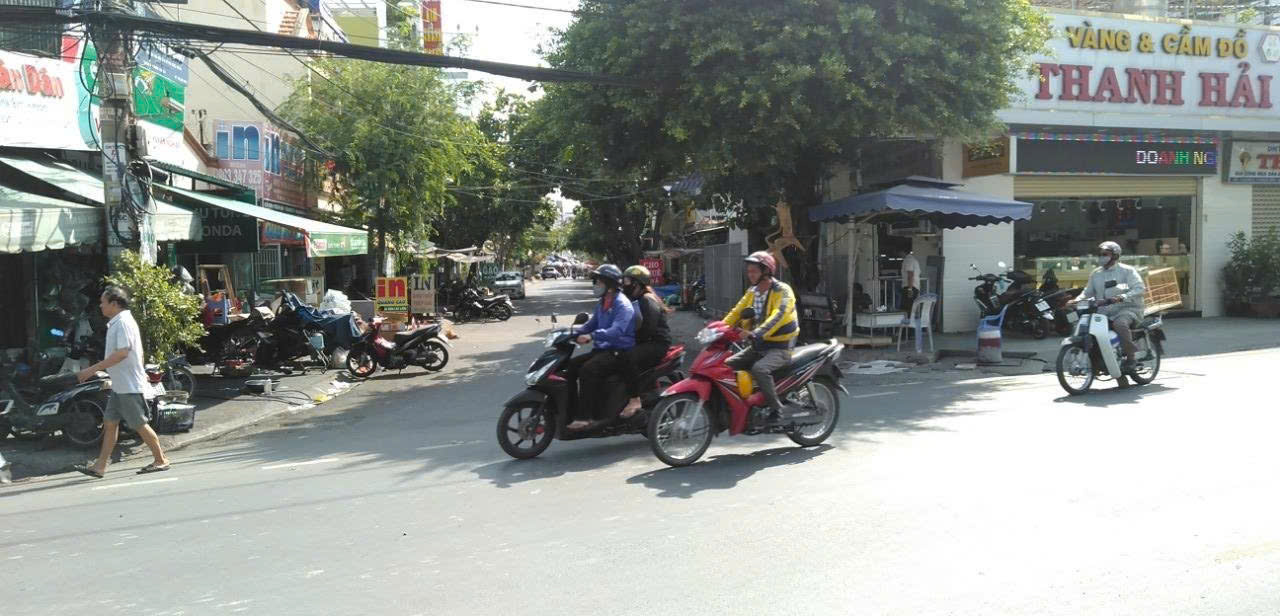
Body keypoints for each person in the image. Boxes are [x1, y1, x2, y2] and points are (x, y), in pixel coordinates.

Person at [74, 286, 170, 478]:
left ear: (114, 303)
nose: (100, 306)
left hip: (128, 385)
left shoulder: (123, 323)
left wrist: (92, 369)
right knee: (110, 423)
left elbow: (122, 353)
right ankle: (100, 466)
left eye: (103, 302)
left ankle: (160, 460)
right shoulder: (118, 322)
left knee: (139, 424)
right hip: (120, 385)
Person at [723, 251, 800, 423]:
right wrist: (719, 328)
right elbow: (736, 312)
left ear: (766, 272)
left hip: (780, 347)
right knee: (725, 365)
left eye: (754, 271)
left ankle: (777, 409)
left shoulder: (783, 290)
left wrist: (756, 333)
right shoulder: (753, 292)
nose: (750, 274)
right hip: (758, 345)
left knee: (760, 369)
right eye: (749, 271)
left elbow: (779, 315)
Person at [565, 265, 637, 431]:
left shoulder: (622, 305)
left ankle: (586, 417)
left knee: (587, 370)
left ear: (610, 286)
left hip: (619, 351)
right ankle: (572, 410)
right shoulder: (603, 302)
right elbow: (591, 324)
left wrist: (592, 336)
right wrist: (570, 332)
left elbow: (617, 331)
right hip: (604, 350)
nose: (596, 285)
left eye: (599, 282)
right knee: (571, 366)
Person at [1075, 241, 1146, 370]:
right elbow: (1087, 292)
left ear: (1115, 256)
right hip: (1103, 311)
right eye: (1100, 254)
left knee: (1120, 324)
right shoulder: (1096, 273)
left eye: (1105, 254)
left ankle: (1131, 358)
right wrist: (1076, 300)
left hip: (1127, 309)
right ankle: (1100, 361)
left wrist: (1121, 297)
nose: (1101, 257)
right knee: (1089, 328)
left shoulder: (1127, 271)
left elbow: (1139, 288)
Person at [619, 265, 672, 419]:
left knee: (626, 357)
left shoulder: (647, 300)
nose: (624, 285)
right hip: (647, 341)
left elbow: (647, 329)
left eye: (627, 281)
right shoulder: (636, 299)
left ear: (637, 283)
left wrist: (629, 341)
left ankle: (634, 399)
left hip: (657, 344)